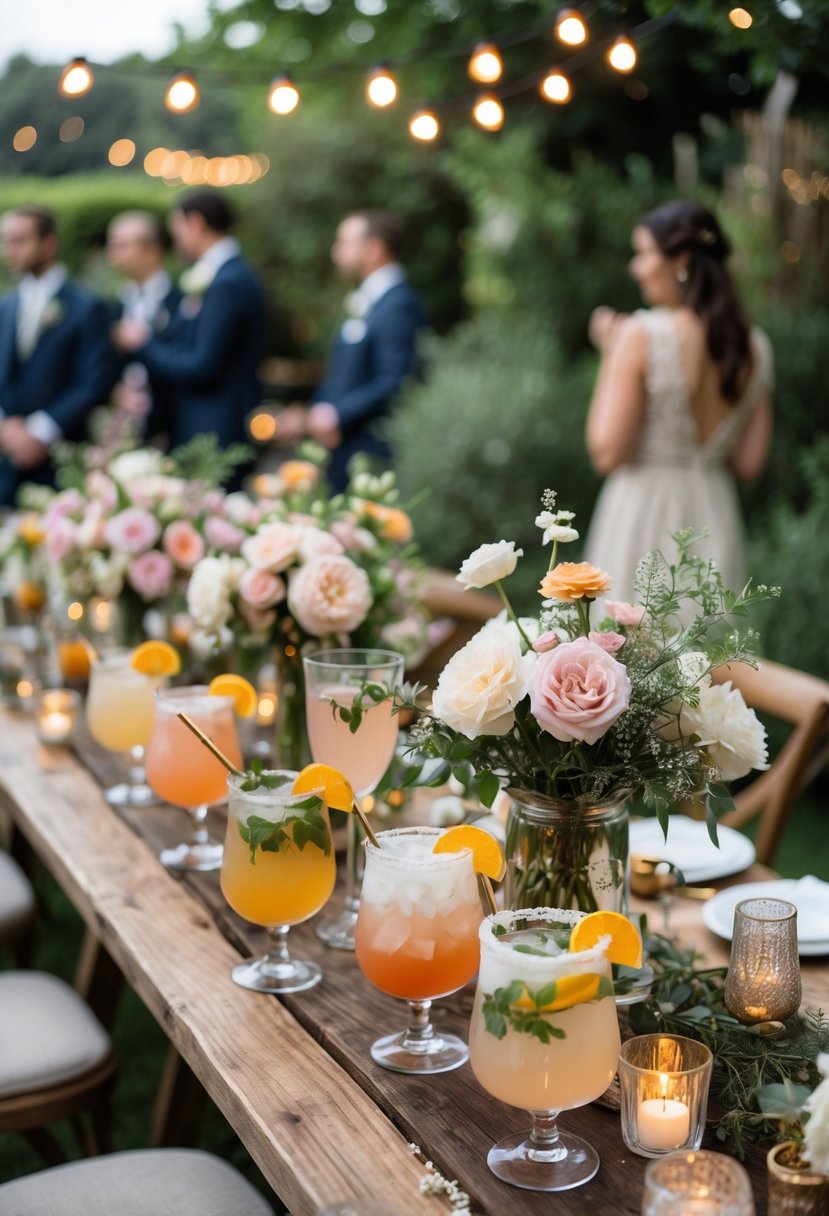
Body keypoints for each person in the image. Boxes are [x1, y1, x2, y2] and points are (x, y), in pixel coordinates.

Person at [583, 199, 773, 602]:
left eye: (643, 253)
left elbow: (607, 454)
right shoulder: (755, 347)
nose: (636, 267)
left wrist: (609, 353)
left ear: (680, 259)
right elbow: (748, 464)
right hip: (713, 517)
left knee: (625, 652)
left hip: (642, 516)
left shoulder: (640, 334)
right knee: (705, 658)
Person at [113, 190, 267, 466]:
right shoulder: (223, 276)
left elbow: (201, 364)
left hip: (215, 428)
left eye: (178, 230)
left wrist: (143, 343)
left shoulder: (227, 283)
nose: (177, 241)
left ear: (195, 223)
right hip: (202, 424)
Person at [279, 209, 427, 493]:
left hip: (370, 454)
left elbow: (396, 380)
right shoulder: (371, 301)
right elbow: (345, 371)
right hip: (342, 448)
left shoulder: (398, 306)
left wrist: (337, 415)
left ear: (373, 249)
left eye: (344, 243)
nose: (336, 253)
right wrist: (320, 412)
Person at [0, 205, 118, 505]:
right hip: (5, 460)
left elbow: (95, 382)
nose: (9, 250)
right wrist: (6, 430)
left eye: (19, 241)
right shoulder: (5, 306)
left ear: (49, 243)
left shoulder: (87, 307)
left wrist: (38, 431)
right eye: (6, 241)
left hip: (61, 461)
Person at [105, 210, 181, 439]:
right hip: (125, 428)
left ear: (152, 251)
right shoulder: (115, 304)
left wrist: (142, 343)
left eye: (121, 245)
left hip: (172, 426)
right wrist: (113, 391)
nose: (112, 254)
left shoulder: (182, 302)